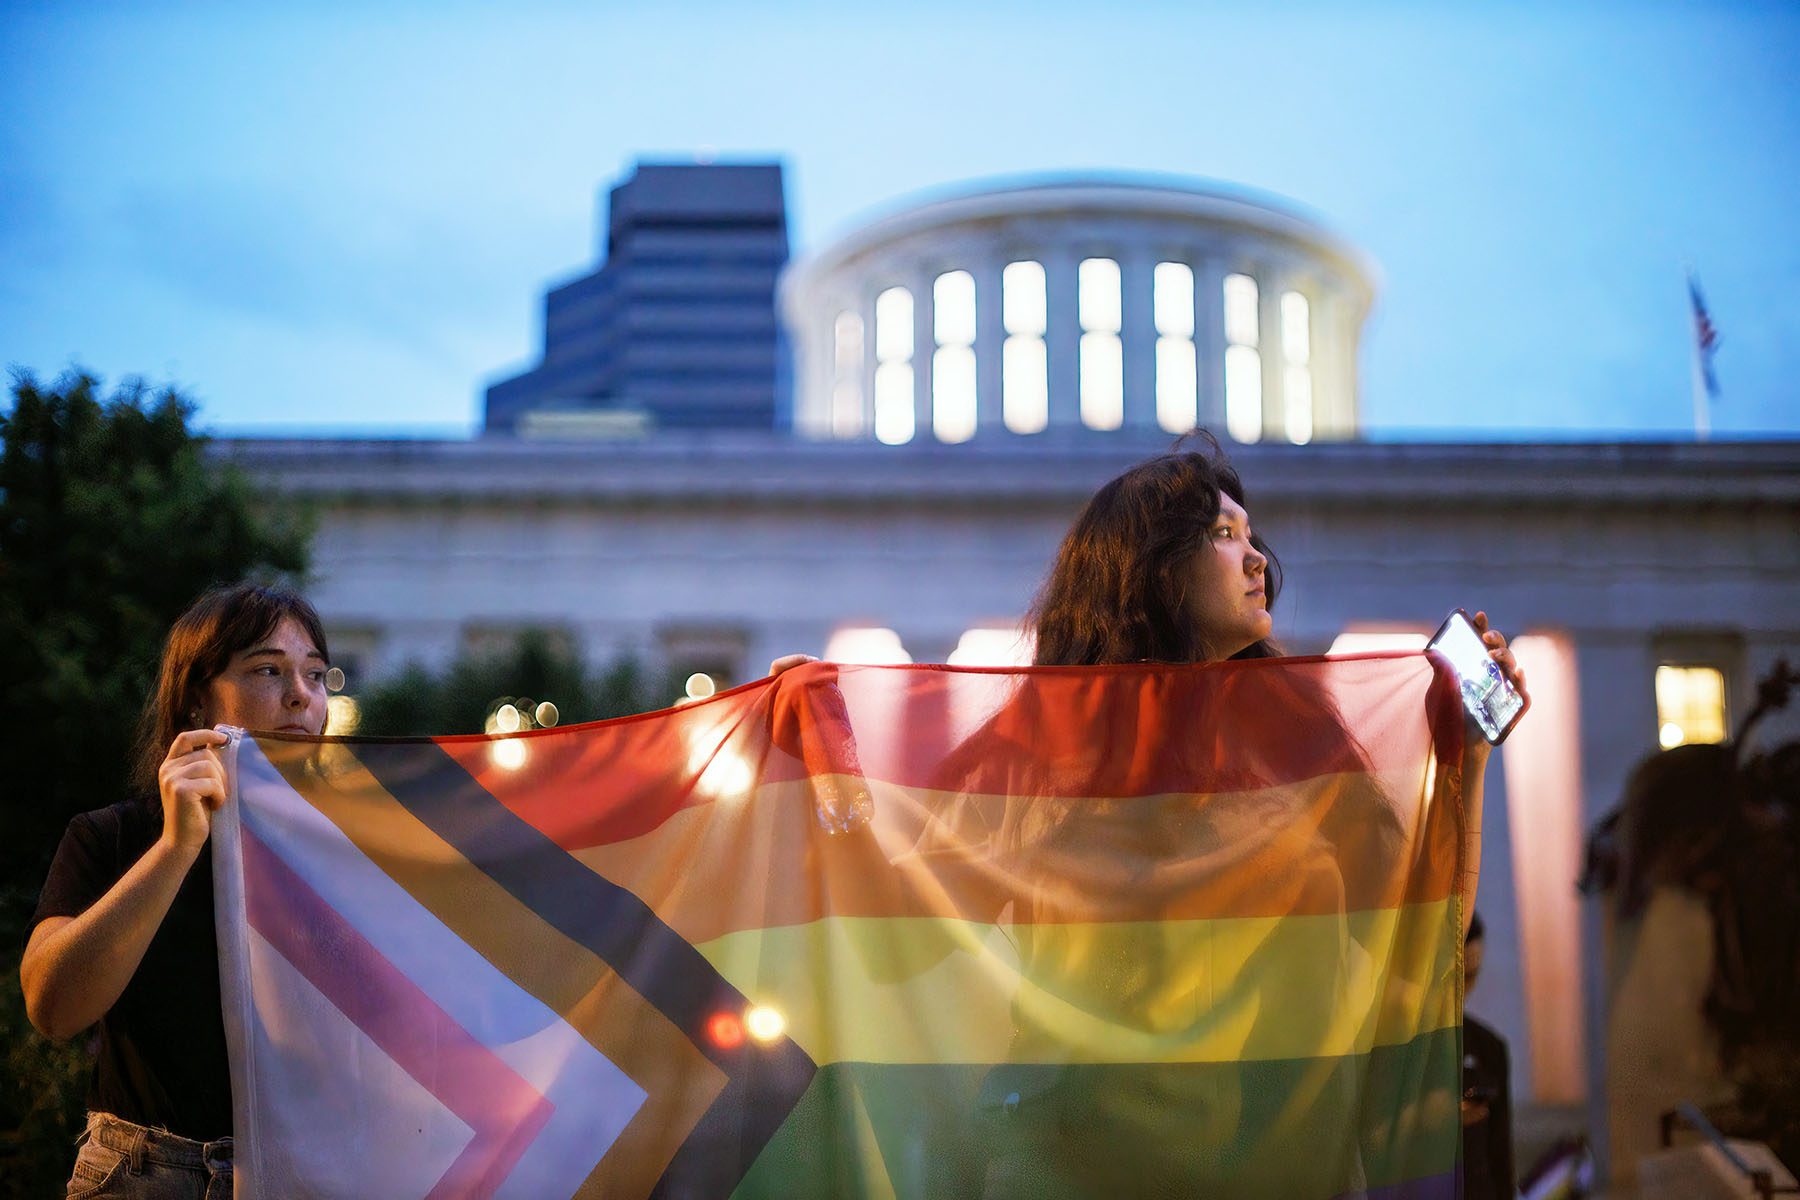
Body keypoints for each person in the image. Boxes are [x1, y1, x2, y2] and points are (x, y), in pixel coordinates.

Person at [20, 582, 333, 1198]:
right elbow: (52, 1007)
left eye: (317, 676)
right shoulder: (113, 836)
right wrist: (175, 849)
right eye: (268, 670)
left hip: (308, 1176)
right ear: (195, 704)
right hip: (145, 1176)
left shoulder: (346, 851)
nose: (301, 695)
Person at [1461, 911, 1518, 1200]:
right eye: (1457, 976)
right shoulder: (1403, 1046)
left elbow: (1499, 1154)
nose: (1462, 989)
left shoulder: (1488, 1048)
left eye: (1472, 977)